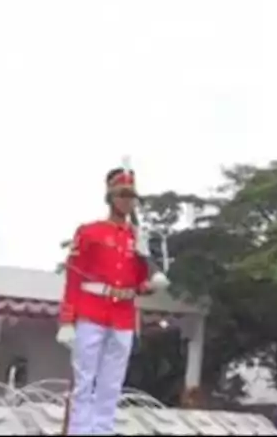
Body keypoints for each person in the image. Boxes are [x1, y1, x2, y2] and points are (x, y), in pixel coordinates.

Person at [57, 166, 169, 435]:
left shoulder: (138, 237)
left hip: (123, 316)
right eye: (121, 194)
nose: (127, 201)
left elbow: (142, 280)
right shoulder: (89, 231)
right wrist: (67, 319)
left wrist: (152, 285)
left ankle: (103, 430)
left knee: (112, 383)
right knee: (84, 379)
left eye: (131, 196)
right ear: (110, 196)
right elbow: (73, 278)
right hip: (91, 310)